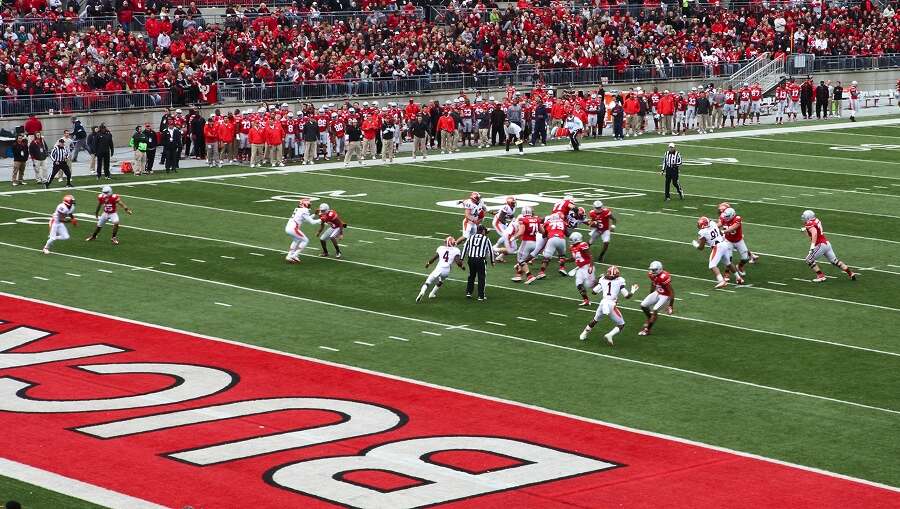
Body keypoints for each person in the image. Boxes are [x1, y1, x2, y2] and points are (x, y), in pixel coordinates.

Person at [579, 265, 638, 345]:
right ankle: (609, 335)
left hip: (603, 303)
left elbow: (594, 292)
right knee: (621, 324)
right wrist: (633, 290)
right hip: (611, 305)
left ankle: (584, 334)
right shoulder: (620, 280)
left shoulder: (603, 279)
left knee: (595, 320)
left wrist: (599, 283)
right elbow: (627, 296)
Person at [801, 210, 857, 282]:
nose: (803, 218)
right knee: (835, 261)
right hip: (826, 244)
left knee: (809, 259)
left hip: (820, 245)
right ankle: (850, 273)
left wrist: (812, 246)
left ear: (808, 217)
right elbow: (815, 230)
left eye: (805, 217)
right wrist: (806, 230)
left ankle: (821, 276)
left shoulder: (809, 224)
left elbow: (814, 233)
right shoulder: (816, 220)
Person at [693, 215, 740, 289]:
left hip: (717, 247)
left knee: (712, 265)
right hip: (724, 243)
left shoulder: (702, 232)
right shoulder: (712, 223)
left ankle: (721, 281)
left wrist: (696, 245)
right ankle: (739, 278)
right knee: (728, 263)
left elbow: (701, 248)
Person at [417, 237, 464, 302]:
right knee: (441, 281)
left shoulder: (441, 248)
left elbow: (434, 258)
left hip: (439, 269)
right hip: (446, 271)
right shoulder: (456, 250)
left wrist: (428, 263)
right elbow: (458, 262)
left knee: (428, 282)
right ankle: (432, 294)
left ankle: (422, 291)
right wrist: (462, 267)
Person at [639, 260, 675, 336]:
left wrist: (670, 305)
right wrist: (650, 294)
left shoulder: (664, 277)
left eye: (654, 270)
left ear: (659, 269)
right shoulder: (651, 274)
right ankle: (650, 318)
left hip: (665, 295)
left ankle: (647, 329)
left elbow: (671, 292)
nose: (652, 271)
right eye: (651, 269)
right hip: (657, 292)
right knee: (643, 305)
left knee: (655, 310)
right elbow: (653, 283)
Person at [284, 198, 321, 263]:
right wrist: (323, 219)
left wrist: (315, 214)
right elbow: (312, 222)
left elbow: (305, 219)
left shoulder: (298, 209)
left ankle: (289, 256)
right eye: (308, 204)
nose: (309, 205)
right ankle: (294, 255)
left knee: (296, 240)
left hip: (288, 228)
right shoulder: (304, 210)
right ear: (304, 204)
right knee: (305, 240)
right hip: (293, 228)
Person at [463, 225, 494, 300]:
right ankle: (481, 296)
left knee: (471, 276)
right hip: (480, 260)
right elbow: (491, 250)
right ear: (483, 231)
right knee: (481, 277)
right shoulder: (486, 239)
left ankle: (469, 292)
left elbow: (465, 248)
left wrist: (461, 258)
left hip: (471, 259)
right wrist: (492, 261)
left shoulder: (471, 237)